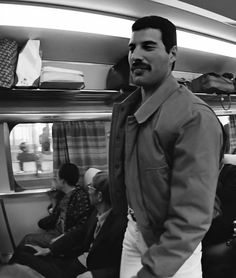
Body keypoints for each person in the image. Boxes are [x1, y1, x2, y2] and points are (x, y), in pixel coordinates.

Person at [108, 15, 226, 278]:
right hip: (134, 230)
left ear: (172, 54)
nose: (135, 56)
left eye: (148, 47)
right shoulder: (130, 108)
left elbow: (192, 218)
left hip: (174, 246)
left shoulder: (194, 117)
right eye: (131, 48)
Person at [9, 171, 127, 278]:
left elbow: (120, 264)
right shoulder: (97, 212)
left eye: (91, 187)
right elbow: (80, 232)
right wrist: (50, 249)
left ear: (100, 196)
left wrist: (94, 275)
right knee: (25, 250)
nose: (88, 191)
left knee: (22, 256)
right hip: (74, 259)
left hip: (81, 270)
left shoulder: (118, 225)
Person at [19, 163, 92, 248]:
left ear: (63, 181)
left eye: (57, 177)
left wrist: (61, 238)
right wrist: (54, 196)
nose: (55, 180)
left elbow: (81, 226)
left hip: (63, 237)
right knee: (29, 240)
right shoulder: (63, 194)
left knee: (27, 239)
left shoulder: (80, 196)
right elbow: (55, 216)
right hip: (56, 231)